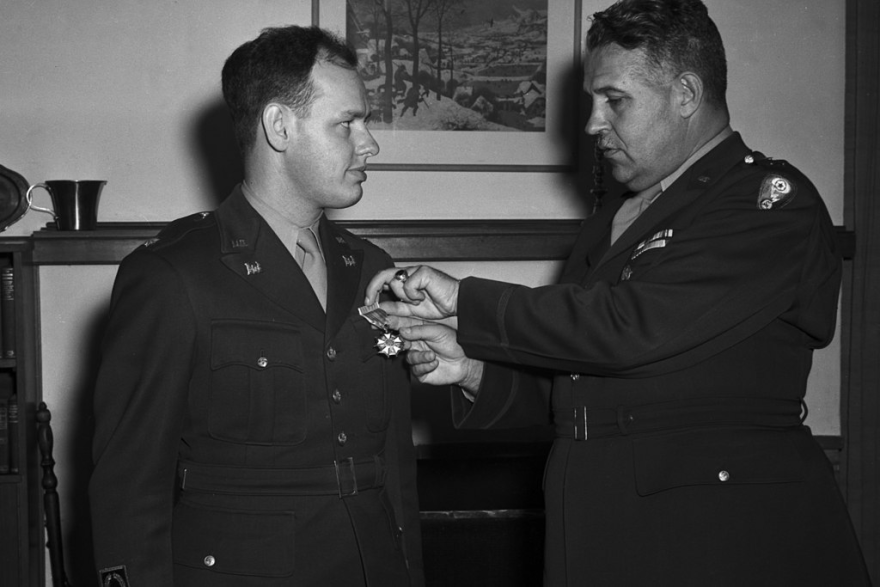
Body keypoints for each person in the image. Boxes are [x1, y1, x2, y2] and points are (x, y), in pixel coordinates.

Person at [365, 0, 871, 585]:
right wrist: (473, 367)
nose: (592, 123)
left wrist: (465, 299)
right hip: (602, 526)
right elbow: (582, 379)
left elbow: (630, 329)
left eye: (616, 100)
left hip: (720, 536)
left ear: (685, 94)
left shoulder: (768, 204)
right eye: (593, 100)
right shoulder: (620, 216)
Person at [89, 25, 424, 586]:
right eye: (348, 123)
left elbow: (395, 466)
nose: (370, 144)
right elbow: (127, 489)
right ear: (279, 126)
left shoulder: (369, 268)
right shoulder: (174, 275)